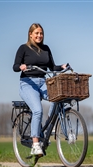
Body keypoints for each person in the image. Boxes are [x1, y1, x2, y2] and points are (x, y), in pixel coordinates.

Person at [13, 23, 67, 156]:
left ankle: (51, 125)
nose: (39, 35)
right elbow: (14, 66)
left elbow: (52, 67)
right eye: (36, 33)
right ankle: (35, 144)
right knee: (37, 110)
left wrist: (62, 66)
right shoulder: (23, 48)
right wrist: (21, 67)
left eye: (41, 33)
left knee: (58, 97)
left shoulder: (46, 49)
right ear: (30, 34)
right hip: (27, 83)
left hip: (43, 82)